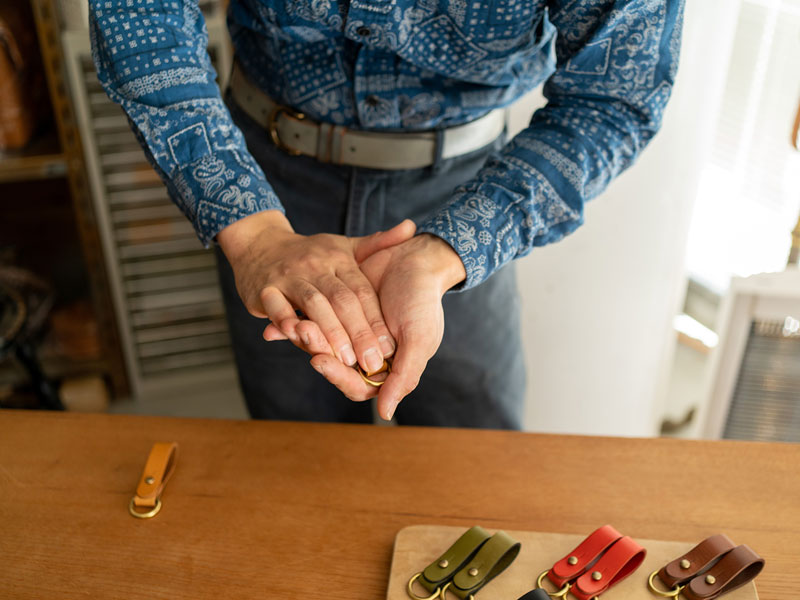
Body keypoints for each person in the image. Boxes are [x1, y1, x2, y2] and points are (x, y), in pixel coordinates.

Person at [89, 0, 684, 428]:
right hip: (265, 178)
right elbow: (142, 17)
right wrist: (253, 232)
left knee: (474, 460)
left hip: (471, 193)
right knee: (293, 450)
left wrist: (449, 252)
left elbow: (615, 98)